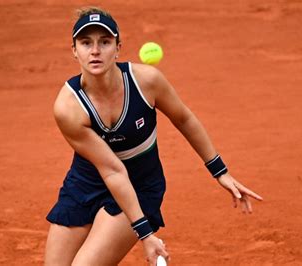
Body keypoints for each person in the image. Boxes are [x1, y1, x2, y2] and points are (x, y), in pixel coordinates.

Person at [44, 6, 263, 266]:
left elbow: (184, 118)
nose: (95, 51)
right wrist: (146, 235)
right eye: (85, 43)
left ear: (118, 47)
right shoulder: (68, 107)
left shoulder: (146, 81)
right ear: (74, 51)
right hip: (86, 183)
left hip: (139, 185)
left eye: (104, 42)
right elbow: (111, 170)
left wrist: (220, 171)